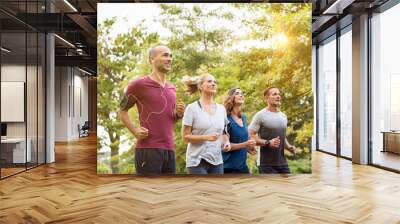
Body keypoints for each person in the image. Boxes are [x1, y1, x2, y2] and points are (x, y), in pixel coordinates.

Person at [118, 45, 185, 175]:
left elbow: (168, 120)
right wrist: (135, 131)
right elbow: (121, 110)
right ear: (152, 59)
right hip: (148, 150)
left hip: (170, 149)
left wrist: (178, 115)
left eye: (171, 56)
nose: (169, 59)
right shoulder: (138, 84)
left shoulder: (172, 88)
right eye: (165, 55)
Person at [181, 73, 230, 174]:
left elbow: (224, 132)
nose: (213, 84)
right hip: (197, 161)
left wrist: (226, 142)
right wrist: (206, 137)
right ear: (200, 86)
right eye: (209, 81)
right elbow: (185, 137)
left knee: (217, 190)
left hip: (217, 161)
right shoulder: (192, 108)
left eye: (214, 82)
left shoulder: (221, 109)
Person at [248, 87, 298, 174]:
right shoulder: (260, 115)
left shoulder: (283, 116)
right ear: (267, 98)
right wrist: (268, 142)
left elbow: (282, 136)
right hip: (266, 164)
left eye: (279, 94)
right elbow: (249, 135)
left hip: (282, 162)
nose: (278, 96)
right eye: (274, 94)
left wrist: (288, 147)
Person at [222, 87, 256, 174]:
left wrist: (250, 147)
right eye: (237, 93)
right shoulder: (225, 117)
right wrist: (245, 144)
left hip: (242, 166)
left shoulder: (243, 117)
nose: (241, 95)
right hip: (228, 167)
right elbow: (225, 146)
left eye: (241, 93)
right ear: (230, 98)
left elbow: (244, 141)